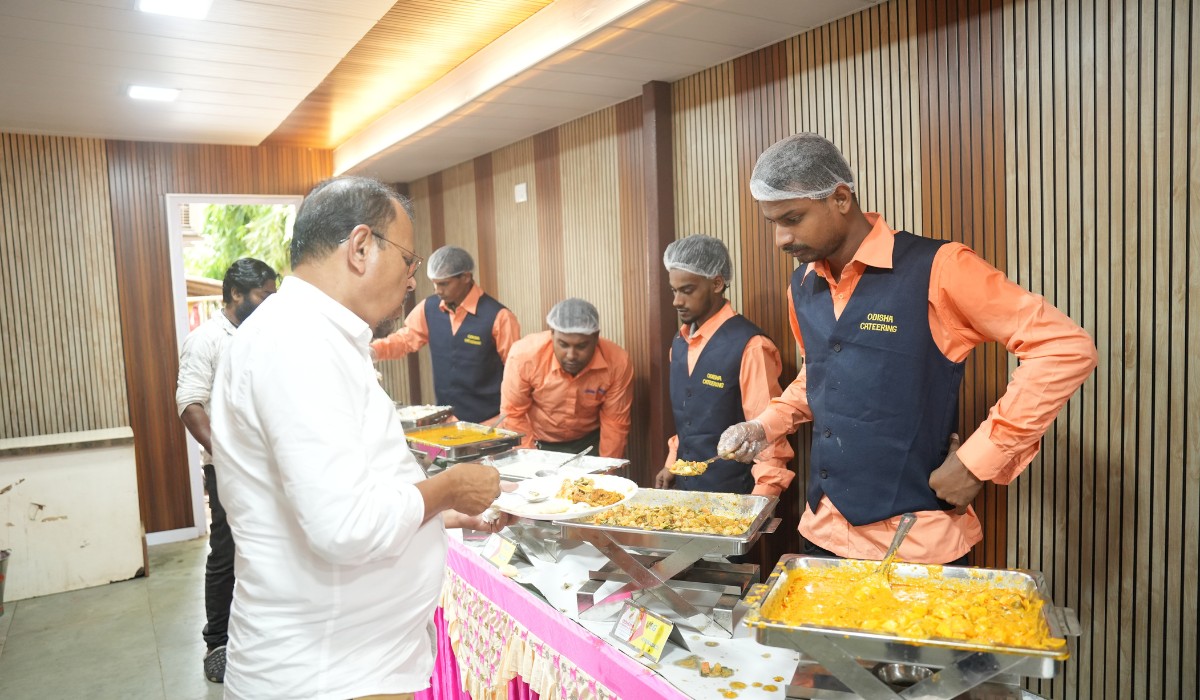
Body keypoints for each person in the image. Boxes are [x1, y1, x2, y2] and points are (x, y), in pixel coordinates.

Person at [718, 133, 1098, 565]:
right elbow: (821, 376)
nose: (781, 239)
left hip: (915, 542)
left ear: (840, 198)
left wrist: (977, 461)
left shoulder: (940, 267)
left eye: (793, 218)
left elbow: (1064, 348)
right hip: (823, 532)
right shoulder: (802, 285)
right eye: (773, 223)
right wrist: (763, 426)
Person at [208, 176, 510, 700]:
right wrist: (448, 488)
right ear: (361, 246)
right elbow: (345, 526)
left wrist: (435, 514)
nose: (412, 281)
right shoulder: (297, 341)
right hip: (327, 675)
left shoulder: (314, 333)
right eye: (409, 261)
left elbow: (348, 488)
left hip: (353, 665)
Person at [174, 257, 277, 684]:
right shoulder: (206, 340)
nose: (271, 302)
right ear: (236, 294)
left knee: (269, 549)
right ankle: (217, 641)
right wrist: (228, 454)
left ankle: (261, 632)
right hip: (228, 469)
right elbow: (189, 404)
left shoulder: (266, 335)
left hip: (270, 466)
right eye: (263, 295)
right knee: (227, 552)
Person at [653, 235, 794, 496]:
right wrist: (672, 463)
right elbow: (689, 419)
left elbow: (768, 435)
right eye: (674, 291)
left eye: (687, 290)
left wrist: (762, 501)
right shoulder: (679, 343)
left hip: (734, 495)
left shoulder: (751, 346)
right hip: (685, 492)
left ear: (717, 283)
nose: (676, 301)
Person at [371, 245, 520, 423]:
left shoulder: (499, 317)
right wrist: (373, 351)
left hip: (490, 422)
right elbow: (404, 340)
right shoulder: (428, 308)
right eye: (434, 283)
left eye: (444, 284)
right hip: (447, 421)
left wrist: (509, 422)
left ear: (466, 277)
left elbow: (516, 374)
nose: (437, 290)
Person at [500, 298, 633, 459]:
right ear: (552, 333)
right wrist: (530, 461)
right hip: (537, 442)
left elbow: (614, 424)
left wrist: (607, 469)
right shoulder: (523, 356)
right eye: (563, 345)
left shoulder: (617, 362)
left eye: (581, 346)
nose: (571, 356)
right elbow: (513, 414)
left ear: (596, 337)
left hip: (589, 443)